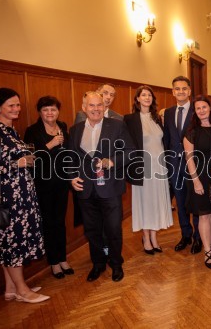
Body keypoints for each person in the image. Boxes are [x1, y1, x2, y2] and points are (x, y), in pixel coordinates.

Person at [0, 88, 49, 303]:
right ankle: (23, 290)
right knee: (12, 240)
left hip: (23, 193)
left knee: (17, 238)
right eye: (11, 105)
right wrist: (14, 163)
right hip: (7, 195)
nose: (16, 109)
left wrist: (26, 159)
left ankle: (11, 289)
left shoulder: (10, 130)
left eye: (18, 105)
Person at [68, 91, 134, 283]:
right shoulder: (75, 130)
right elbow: (71, 158)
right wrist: (71, 178)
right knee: (92, 229)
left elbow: (130, 152)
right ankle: (97, 263)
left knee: (113, 229)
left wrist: (112, 161)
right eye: (91, 105)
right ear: (84, 108)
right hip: (85, 189)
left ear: (104, 107)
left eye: (99, 105)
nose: (96, 109)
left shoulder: (117, 126)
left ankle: (116, 263)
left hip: (110, 188)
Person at [24, 96, 73, 279]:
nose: (50, 113)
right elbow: (31, 158)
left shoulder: (63, 126)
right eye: (45, 110)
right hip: (43, 184)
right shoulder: (32, 131)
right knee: (49, 223)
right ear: (40, 112)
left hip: (61, 182)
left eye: (53, 109)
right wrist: (50, 144)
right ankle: (53, 262)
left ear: (58, 111)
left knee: (60, 222)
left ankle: (63, 258)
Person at [124, 85, 173, 255]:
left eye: (149, 95)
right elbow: (126, 146)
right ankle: (145, 237)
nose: (147, 98)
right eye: (143, 95)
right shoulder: (130, 119)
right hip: (142, 168)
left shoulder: (157, 118)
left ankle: (154, 237)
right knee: (145, 203)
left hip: (159, 167)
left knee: (156, 202)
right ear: (137, 99)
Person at [183, 96, 211, 269]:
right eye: (198, 108)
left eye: (204, 107)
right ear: (195, 111)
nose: (201, 110)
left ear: (210, 108)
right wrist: (196, 182)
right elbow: (189, 159)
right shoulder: (191, 131)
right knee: (203, 215)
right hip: (199, 176)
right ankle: (207, 251)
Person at [163, 76, 201, 254]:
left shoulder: (198, 110)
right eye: (177, 89)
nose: (180, 91)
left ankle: (198, 238)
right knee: (180, 202)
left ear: (189, 91)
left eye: (184, 88)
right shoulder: (168, 113)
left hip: (194, 164)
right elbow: (167, 140)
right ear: (173, 92)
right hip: (175, 165)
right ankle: (186, 234)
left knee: (195, 202)